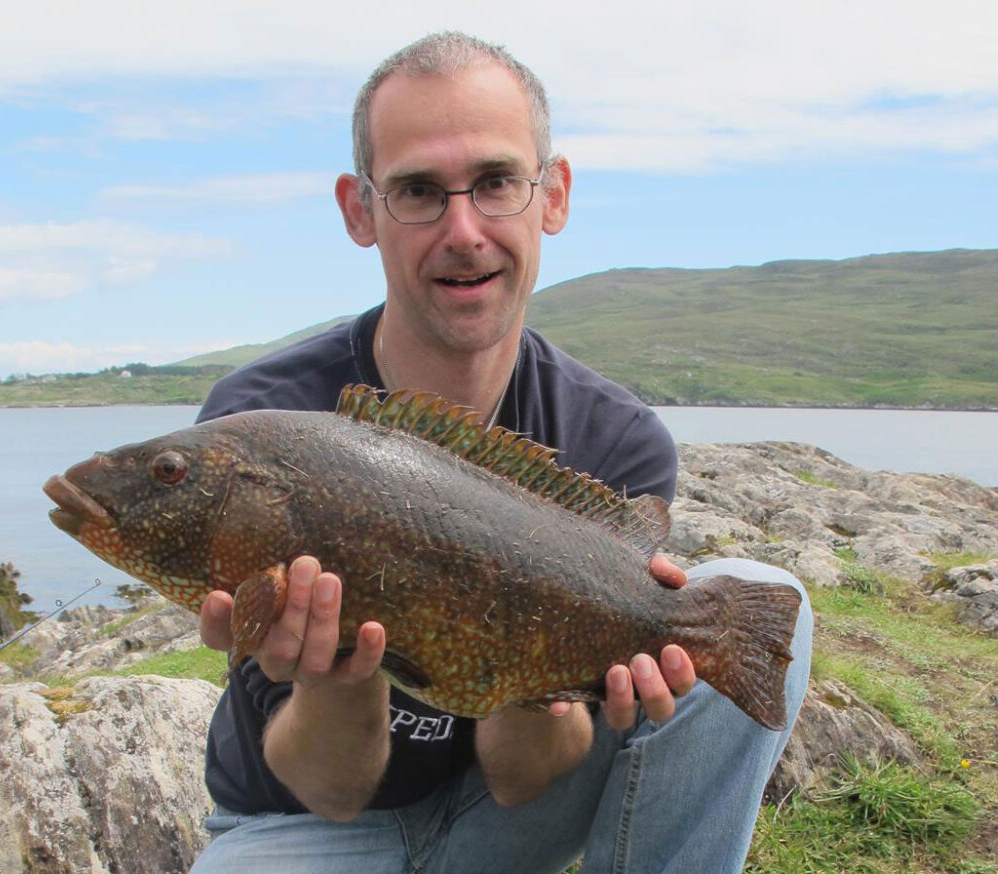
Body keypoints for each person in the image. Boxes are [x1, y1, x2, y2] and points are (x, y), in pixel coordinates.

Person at [188, 31, 812, 874]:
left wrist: (553, 664)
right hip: (306, 831)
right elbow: (330, 791)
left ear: (552, 195)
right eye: (417, 190)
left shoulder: (614, 439)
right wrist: (339, 674)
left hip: (513, 812)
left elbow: (522, 781)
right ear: (360, 210)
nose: (464, 230)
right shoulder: (259, 431)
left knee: (756, 604)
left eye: (496, 183)